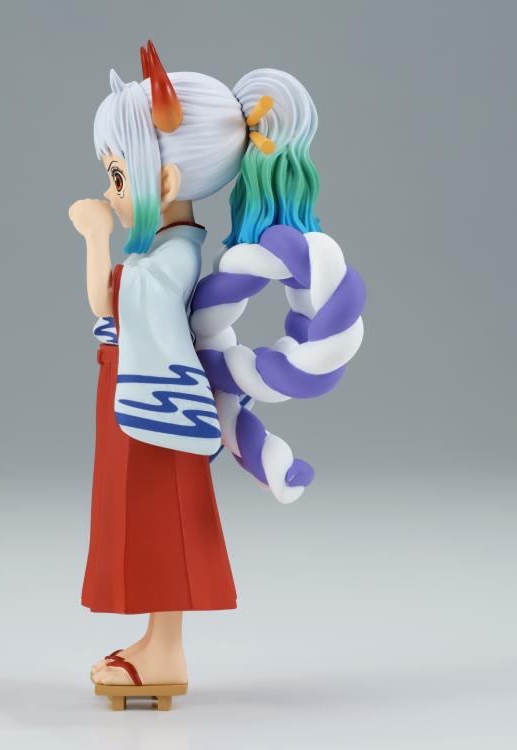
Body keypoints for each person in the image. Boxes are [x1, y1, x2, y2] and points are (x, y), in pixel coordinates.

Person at [67, 41, 363, 705]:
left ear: (166, 184)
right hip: (138, 399)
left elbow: (105, 302)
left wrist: (93, 237)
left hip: (155, 410)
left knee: (158, 523)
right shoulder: (166, 249)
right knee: (141, 521)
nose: (108, 192)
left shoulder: (172, 255)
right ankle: (155, 641)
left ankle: (165, 650)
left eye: (117, 176)